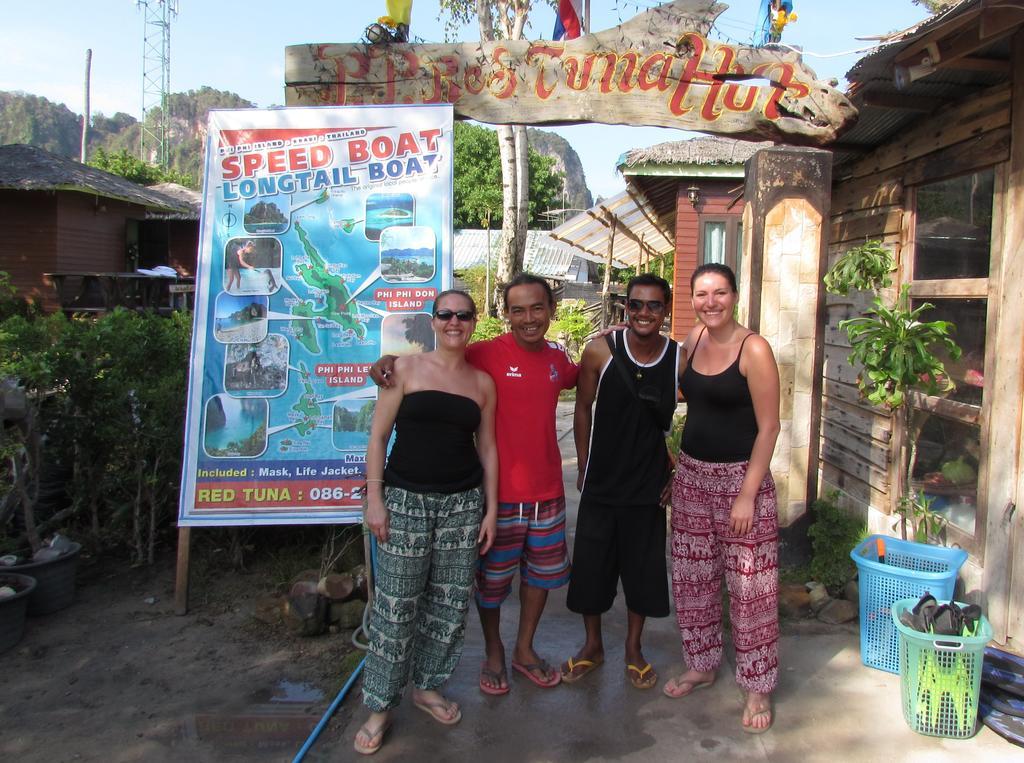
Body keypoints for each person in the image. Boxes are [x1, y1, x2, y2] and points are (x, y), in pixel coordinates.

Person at [371, 273, 577, 695]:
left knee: (535, 581)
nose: (528, 318)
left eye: (537, 307)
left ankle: (524, 649)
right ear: (505, 315)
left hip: (542, 494)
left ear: (551, 310)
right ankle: (493, 652)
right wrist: (386, 360)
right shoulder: (485, 354)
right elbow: (441, 358)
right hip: (485, 497)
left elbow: (588, 375)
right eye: (517, 309)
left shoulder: (559, 362)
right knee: (488, 584)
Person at [354, 289, 499, 756]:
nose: (454, 321)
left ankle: (428, 686)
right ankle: (379, 708)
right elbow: (378, 437)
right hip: (404, 501)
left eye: (463, 315)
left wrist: (491, 509)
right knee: (394, 609)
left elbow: (488, 449)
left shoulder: (482, 383)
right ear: (433, 322)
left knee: (449, 607)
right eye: (445, 314)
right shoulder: (404, 369)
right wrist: (375, 499)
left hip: (462, 506)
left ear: (475, 322)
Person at [663, 263, 781, 734]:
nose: (710, 302)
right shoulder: (692, 341)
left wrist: (748, 495)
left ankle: (757, 685)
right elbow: (678, 401)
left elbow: (769, 426)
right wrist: (677, 467)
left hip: (741, 483)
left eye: (719, 293)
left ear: (735, 296)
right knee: (692, 583)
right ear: (692, 299)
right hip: (692, 476)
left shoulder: (754, 349)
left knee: (752, 590)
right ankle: (703, 662)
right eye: (701, 294)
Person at [562, 274, 681, 690]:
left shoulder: (678, 357)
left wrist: (678, 470)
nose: (644, 313)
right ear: (624, 308)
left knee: (643, 572)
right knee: (592, 570)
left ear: (666, 309)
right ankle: (592, 644)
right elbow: (582, 408)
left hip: (648, 487)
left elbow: (701, 410)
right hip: (602, 484)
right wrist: (582, 463)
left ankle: (633, 648)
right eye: (636, 305)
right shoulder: (600, 351)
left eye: (653, 305)